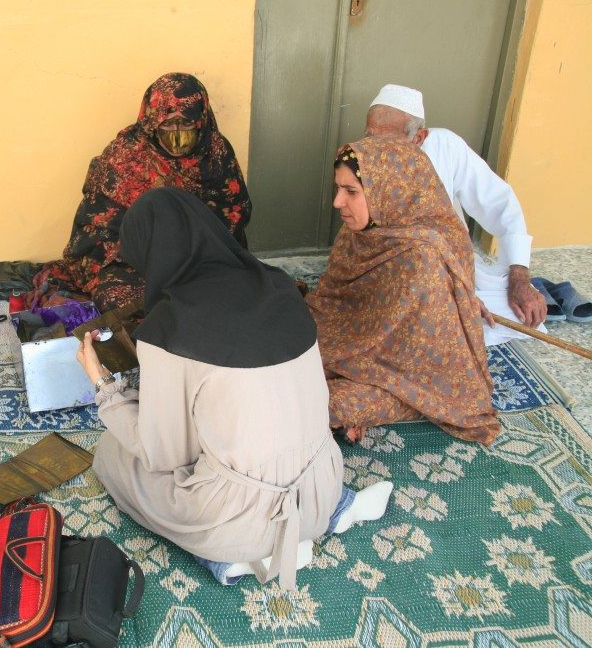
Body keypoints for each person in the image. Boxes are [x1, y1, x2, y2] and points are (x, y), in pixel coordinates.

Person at [76, 187, 392, 590]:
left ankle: (230, 559)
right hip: (321, 489)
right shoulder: (279, 286)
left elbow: (165, 453)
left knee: (113, 454)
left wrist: (103, 385)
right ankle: (339, 509)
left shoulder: (170, 327)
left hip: (237, 519)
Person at [306, 137, 501, 446]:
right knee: (279, 348)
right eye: (339, 189)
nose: (337, 202)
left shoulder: (421, 261)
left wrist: (339, 358)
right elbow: (334, 299)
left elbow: (413, 360)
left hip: (408, 375)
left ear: (388, 192)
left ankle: (346, 412)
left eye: (351, 192)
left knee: (318, 401)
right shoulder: (365, 230)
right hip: (359, 344)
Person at [32, 72, 251, 313]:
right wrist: (151, 249)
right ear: (151, 122)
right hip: (135, 262)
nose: (177, 134)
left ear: (201, 120)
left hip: (201, 257)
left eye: (187, 123)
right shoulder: (126, 155)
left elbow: (235, 211)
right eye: (167, 123)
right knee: (122, 299)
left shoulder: (216, 152)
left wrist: (191, 245)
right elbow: (98, 229)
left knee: (238, 289)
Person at [364, 83, 547, 345]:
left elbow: (499, 203)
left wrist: (519, 278)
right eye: (370, 136)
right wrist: (449, 295)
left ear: (419, 137)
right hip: (397, 277)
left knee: (524, 316)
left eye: (389, 140)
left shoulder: (445, 146)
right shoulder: (360, 161)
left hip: (457, 266)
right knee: (411, 325)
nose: (377, 148)